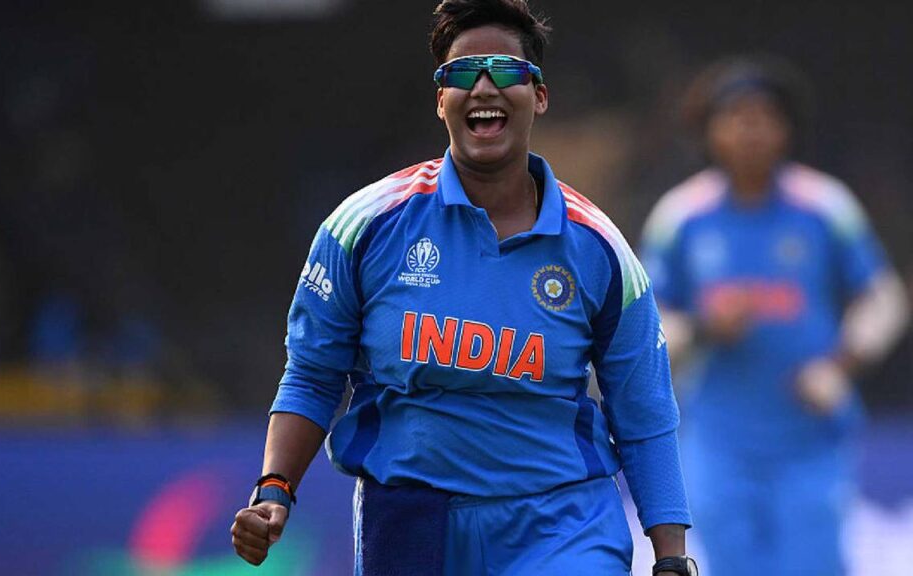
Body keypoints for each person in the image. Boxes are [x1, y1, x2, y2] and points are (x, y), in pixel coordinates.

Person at [231, 1, 697, 574]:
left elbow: (643, 411)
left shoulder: (600, 249)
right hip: (410, 521)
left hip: (561, 524)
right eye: (462, 72)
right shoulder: (366, 224)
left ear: (539, 96)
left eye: (504, 70)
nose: (483, 86)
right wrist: (274, 488)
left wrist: (671, 556)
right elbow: (312, 373)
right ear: (441, 100)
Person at [640, 55, 910, 575]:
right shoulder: (682, 216)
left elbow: (883, 298)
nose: (751, 132)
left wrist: (840, 365)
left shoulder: (825, 206)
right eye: (737, 118)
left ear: (787, 130)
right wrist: (704, 328)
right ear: (711, 131)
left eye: (764, 117)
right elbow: (644, 325)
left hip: (809, 437)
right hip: (717, 438)